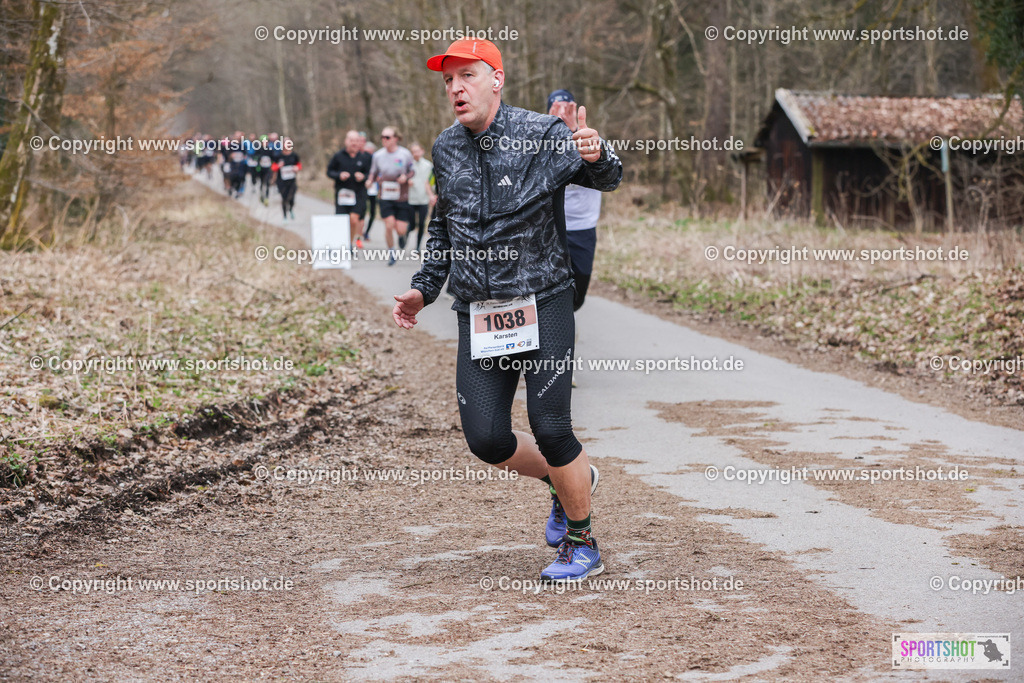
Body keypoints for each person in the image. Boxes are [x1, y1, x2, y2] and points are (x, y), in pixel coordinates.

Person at [392, 39, 621, 582]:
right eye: (448, 81)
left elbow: (606, 178)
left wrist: (595, 151)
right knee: (487, 438)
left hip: (544, 300)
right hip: (480, 310)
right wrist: (425, 288)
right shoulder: (445, 148)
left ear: (496, 79)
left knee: (551, 425)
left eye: (466, 76)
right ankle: (571, 480)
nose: (455, 89)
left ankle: (582, 544)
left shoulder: (540, 133)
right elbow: (445, 226)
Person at [548, 90, 602, 311]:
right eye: (556, 108)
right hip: (549, 229)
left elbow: (607, 174)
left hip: (582, 229)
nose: (562, 113)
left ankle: (567, 318)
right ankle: (556, 329)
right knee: (547, 291)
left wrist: (573, 130)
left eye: (567, 107)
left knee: (578, 295)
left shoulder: (591, 141)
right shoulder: (538, 144)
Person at [366, 127, 415, 265]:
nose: (384, 140)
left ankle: (402, 235)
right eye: (382, 137)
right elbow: (373, 172)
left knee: (400, 229)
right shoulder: (378, 155)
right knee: (389, 225)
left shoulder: (405, 154)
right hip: (385, 196)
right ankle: (392, 252)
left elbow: (412, 171)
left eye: (387, 137)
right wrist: (370, 181)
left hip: (402, 196)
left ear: (395, 138)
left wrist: (405, 177)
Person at [326, 130, 373, 249]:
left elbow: (371, 174)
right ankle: (341, 243)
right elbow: (329, 171)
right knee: (341, 221)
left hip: (359, 193)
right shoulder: (338, 156)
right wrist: (339, 175)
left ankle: (350, 244)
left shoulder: (365, 157)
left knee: (354, 220)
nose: (354, 143)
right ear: (346, 141)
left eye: (357, 141)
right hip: (343, 193)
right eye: (352, 140)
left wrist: (364, 177)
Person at [407, 142, 436, 251]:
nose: (416, 153)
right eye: (413, 151)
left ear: (422, 151)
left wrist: (431, 196)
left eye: (417, 151)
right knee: (412, 224)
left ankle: (418, 246)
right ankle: (406, 234)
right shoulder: (408, 165)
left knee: (422, 223)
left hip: (423, 199)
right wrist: (407, 181)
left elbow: (431, 182)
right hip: (410, 198)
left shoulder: (429, 166)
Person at [272, 137, 300, 220]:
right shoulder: (278, 156)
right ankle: (284, 216)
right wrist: (278, 166)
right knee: (284, 198)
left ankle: (290, 209)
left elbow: (299, 165)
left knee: (292, 198)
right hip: (281, 181)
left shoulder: (294, 155)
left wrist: (297, 168)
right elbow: (273, 167)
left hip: (292, 181)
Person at [362, 137, 379, 240]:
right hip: (363, 189)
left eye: (370, 152)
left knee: (373, 213)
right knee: (362, 211)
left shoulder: (377, 159)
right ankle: (359, 232)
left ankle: (366, 232)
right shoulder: (361, 158)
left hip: (374, 189)